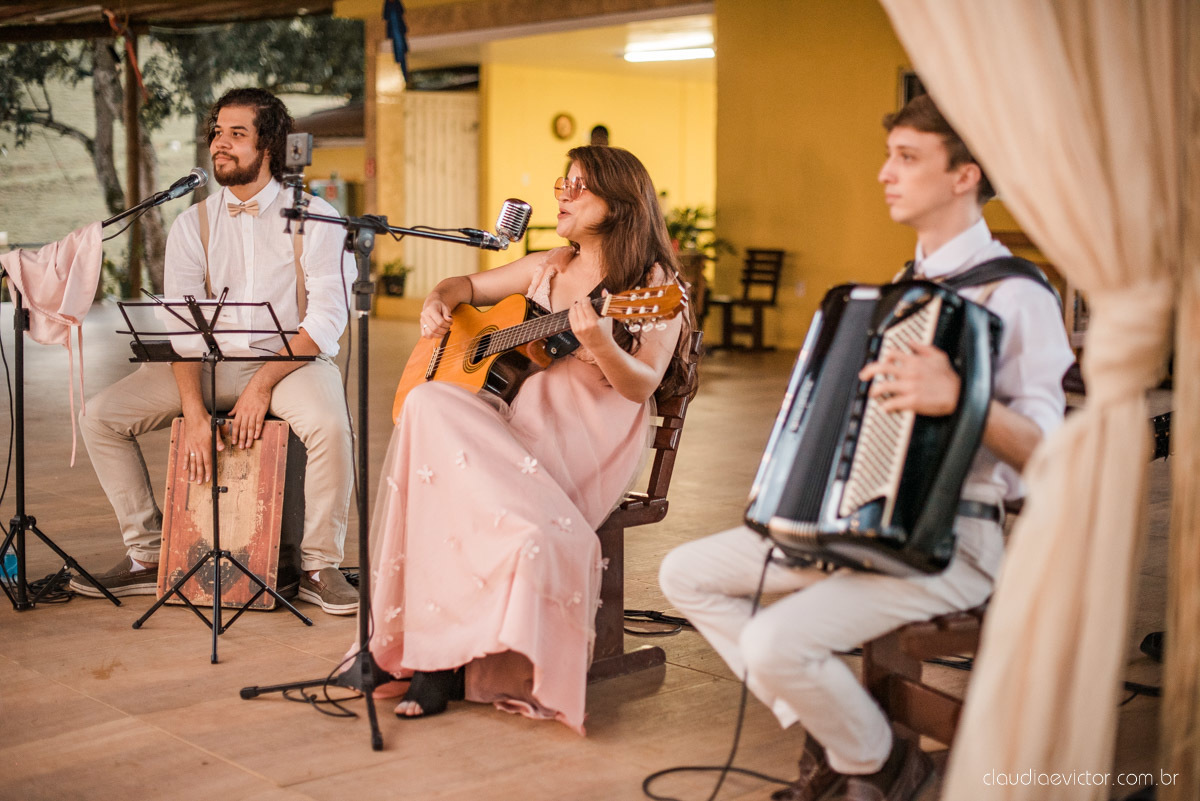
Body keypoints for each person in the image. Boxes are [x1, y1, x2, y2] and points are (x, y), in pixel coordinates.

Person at [659, 93, 1074, 801]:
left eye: (907, 158)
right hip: (859, 526)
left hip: (954, 543)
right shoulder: (907, 288)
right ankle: (847, 745)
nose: (886, 173)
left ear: (964, 175)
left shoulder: (1016, 294)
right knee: (683, 572)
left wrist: (965, 399)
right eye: (890, 155)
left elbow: (1054, 457)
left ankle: (881, 772)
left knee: (772, 641)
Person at [361, 145, 694, 732]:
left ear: (618, 206)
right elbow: (464, 284)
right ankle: (427, 652)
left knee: (462, 492)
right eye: (561, 181)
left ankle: (436, 660)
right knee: (427, 399)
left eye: (579, 186)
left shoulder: (651, 285)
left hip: (584, 442)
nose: (561, 193)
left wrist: (600, 343)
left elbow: (641, 385)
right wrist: (441, 299)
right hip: (510, 429)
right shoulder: (548, 265)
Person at [71, 88, 359, 615]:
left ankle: (320, 566)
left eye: (237, 134)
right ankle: (148, 554)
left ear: (268, 145)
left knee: (331, 425)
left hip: (290, 361)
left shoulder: (316, 216)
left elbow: (325, 319)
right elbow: (181, 332)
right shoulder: (190, 224)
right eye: (217, 133)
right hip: (206, 364)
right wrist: (195, 410)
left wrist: (261, 386)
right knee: (99, 417)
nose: (219, 145)